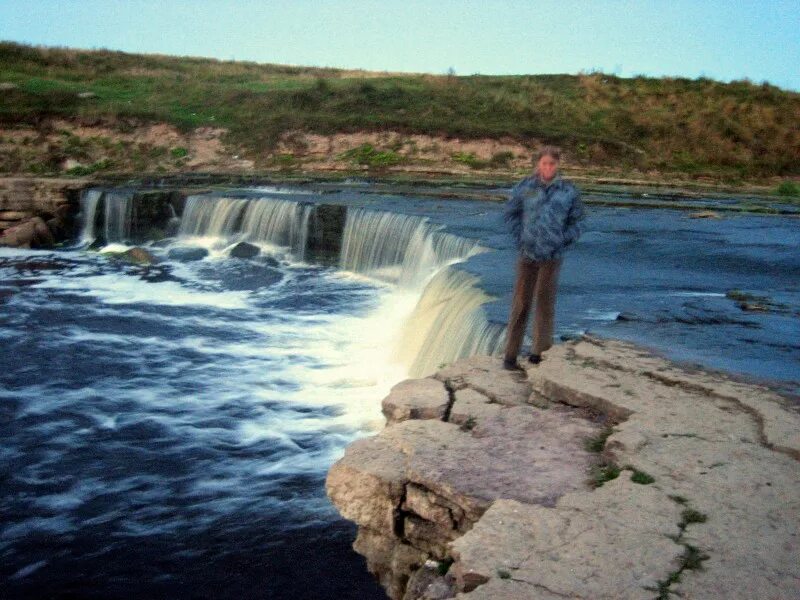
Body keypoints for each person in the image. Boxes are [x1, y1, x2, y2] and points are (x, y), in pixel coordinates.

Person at [501, 145, 586, 371]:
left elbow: (578, 222)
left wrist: (563, 240)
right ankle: (510, 355)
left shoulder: (568, 192)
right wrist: (521, 238)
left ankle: (538, 354)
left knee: (544, 305)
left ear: (558, 165)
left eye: (552, 164)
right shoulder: (525, 187)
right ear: (538, 164)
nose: (548, 168)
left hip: (552, 256)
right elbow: (510, 214)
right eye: (544, 163)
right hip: (527, 254)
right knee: (521, 304)